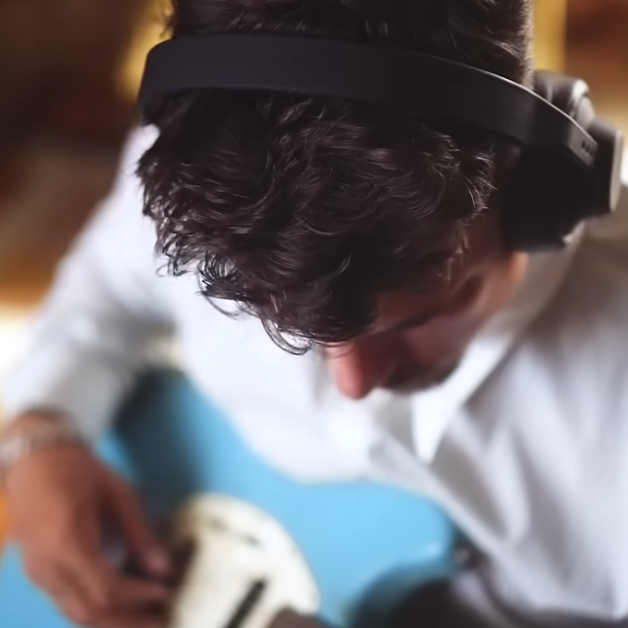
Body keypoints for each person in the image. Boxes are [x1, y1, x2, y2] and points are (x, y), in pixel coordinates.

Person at [0, 0, 627, 626]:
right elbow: (108, 292)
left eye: (416, 321)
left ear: (541, 197)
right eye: (283, 323)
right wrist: (39, 434)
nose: (353, 383)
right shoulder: (215, 164)